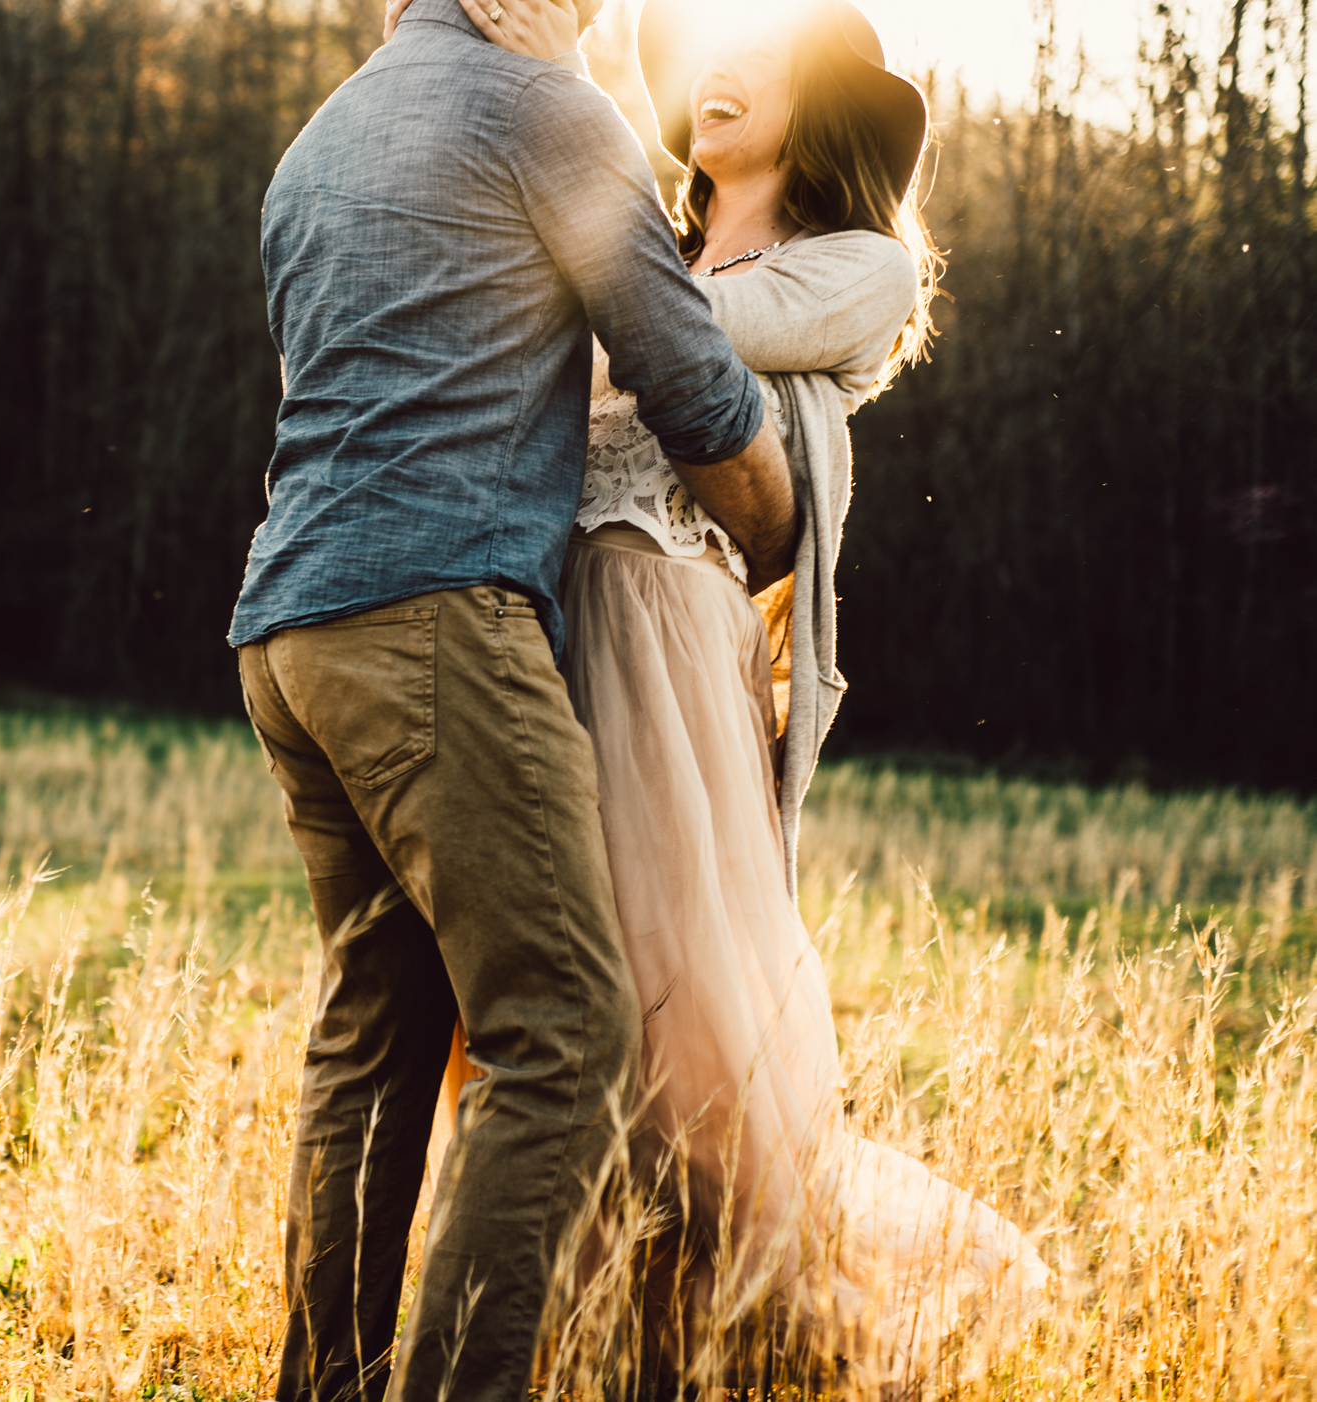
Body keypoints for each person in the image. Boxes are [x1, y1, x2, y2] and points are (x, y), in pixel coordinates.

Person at [410, 0, 1054, 1389]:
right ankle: (574, 1337)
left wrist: (560, 140)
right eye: (707, 56)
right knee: (535, 1009)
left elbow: (668, 330)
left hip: (659, 644)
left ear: (815, 107)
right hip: (538, 626)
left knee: (678, 1025)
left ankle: (743, 1340)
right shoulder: (649, 225)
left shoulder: (859, 269)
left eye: (749, 61)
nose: (712, 75)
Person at [226, 0, 805, 1393]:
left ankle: (330, 1380)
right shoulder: (552, 115)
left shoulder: (322, 138)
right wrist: (786, 534)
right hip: (440, 623)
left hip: (288, 630)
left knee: (378, 1027)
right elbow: (691, 386)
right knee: (565, 1027)